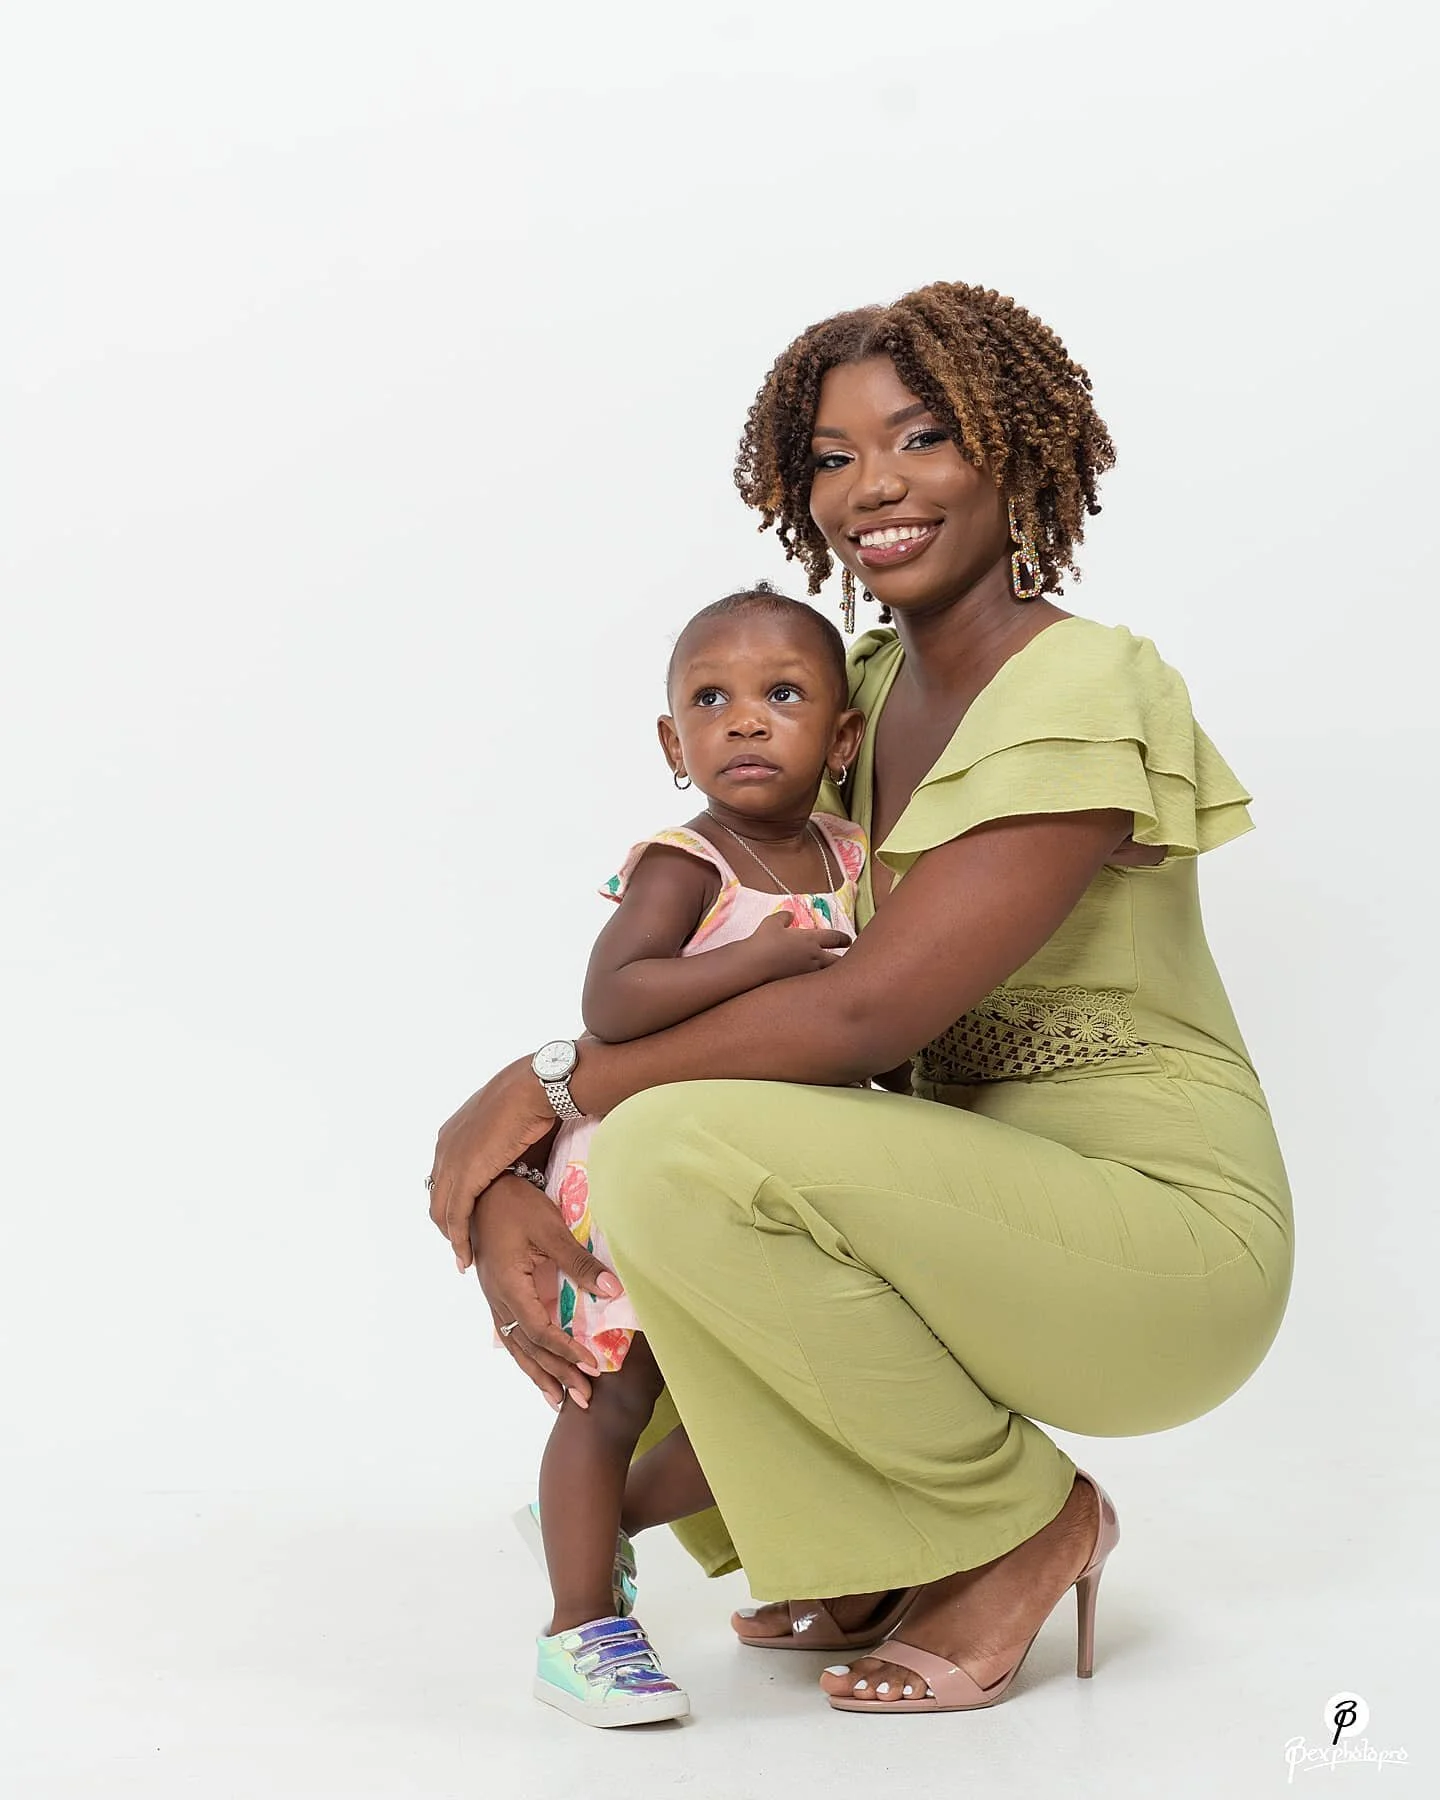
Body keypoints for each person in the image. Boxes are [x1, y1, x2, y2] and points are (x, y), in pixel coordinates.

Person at [428, 279, 1294, 1719]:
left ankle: (1025, 1527)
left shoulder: (1086, 685)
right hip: (964, 1212)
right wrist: (533, 1175)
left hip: (1164, 1241)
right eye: (832, 457)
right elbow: (719, 930)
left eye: (924, 437)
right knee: (667, 1168)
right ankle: (894, 1539)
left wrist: (549, 1091)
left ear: (1013, 456)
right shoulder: (850, 695)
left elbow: (855, 1021)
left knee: (676, 1146)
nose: (871, 488)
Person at [498, 586, 868, 1726]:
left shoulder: (855, 855)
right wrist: (757, 961)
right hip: (636, 1172)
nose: (745, 721)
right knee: (611, 1401)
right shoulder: (686, 858)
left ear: (842, 740)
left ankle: (595, 1521)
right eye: (711, 700)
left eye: (782, 696)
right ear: (675, 742)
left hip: (761, 1181)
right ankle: (580, 1627)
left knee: (761, 1405)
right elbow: (614, 996)